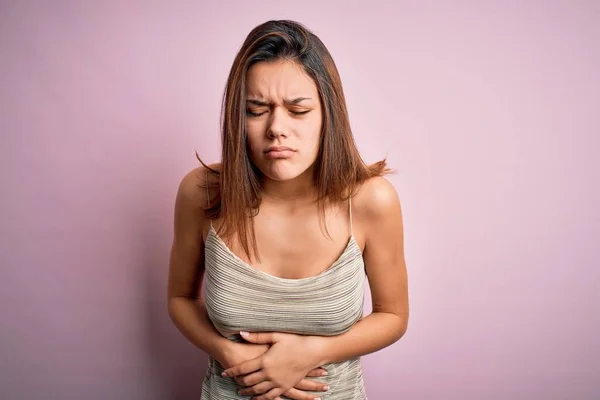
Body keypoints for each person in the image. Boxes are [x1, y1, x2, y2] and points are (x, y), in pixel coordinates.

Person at [167, 19, 409, 400]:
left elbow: (393, 317)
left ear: (328, 114)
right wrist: (228, 352)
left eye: (298, 110)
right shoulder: (200, 193)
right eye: (256, 109)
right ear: (237, 117)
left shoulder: (371, 201)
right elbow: (179, 299)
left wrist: (313, 351)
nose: (276, 128)